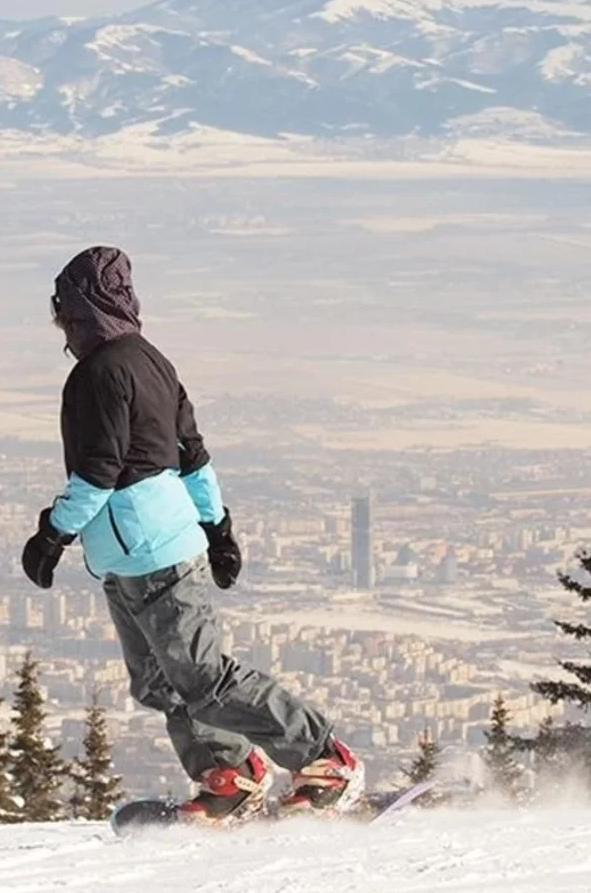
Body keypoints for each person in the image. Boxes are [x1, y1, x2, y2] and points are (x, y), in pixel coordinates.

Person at [19, 245, 363, 823]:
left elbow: (100, 469)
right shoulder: (154, 361)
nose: (61, 327)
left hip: (153, 552)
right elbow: (193, 457)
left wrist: (52, 533)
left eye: (64, 314)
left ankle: (325, 758)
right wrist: (217, 525)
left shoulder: (97, 376)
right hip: (131, 557)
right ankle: (228, 776)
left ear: (80, 311)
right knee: (162, 682)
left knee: (203, 678)